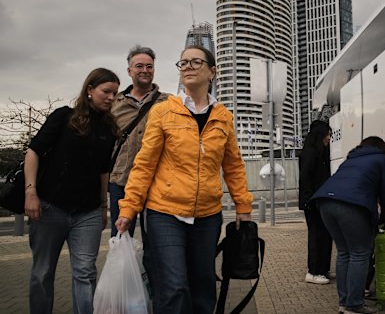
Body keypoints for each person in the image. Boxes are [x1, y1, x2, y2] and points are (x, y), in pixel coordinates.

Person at [115, 45, 253, 314]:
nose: (187, 66)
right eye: (183, 62)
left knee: (203, 284)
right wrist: (129, 207)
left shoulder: (223, 117)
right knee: (174, 285)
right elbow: (144, 164)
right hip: (164, 212)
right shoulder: (164, 111)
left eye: (195, 62)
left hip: (207, 215)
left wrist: (243, 206)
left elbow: (234, 166)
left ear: (212, 71)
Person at [24, 68, 120, 314]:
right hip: (49, 207)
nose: (111, 97)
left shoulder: (109, 129)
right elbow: (33, 152)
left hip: (86, 212)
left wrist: (103, 207)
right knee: (42, 272)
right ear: (89, 90)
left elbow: (103, 171)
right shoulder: (63, 117)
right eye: (106, 91)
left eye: (115, 93)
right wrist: (31, 193)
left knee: (85, 272)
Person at [312, 136, 385, 314]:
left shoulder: (351, 159)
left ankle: (344, 303)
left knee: (344, 253)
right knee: (360, 253)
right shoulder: (383, 159)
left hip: (325, 202)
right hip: (350, 205)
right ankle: (355, 305)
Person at [109, 45, 169, 237]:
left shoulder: (169, 102)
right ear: (129, 70)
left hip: (156, 183)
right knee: (120, 239)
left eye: (149, 66)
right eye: (139, 66)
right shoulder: (114, 104)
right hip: (121, 182)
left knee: (154, 244)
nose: (145, 70)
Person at [299, 119, 333, 284]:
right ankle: (313, 272)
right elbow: (305, 178)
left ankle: (323, 269)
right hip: (313, 202)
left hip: (320, 200)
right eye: (327, 134)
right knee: (316, 235)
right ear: (320, 135)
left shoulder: (320, 152)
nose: (329, 138)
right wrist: (307, 201)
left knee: (325, 234)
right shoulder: (310, 153)